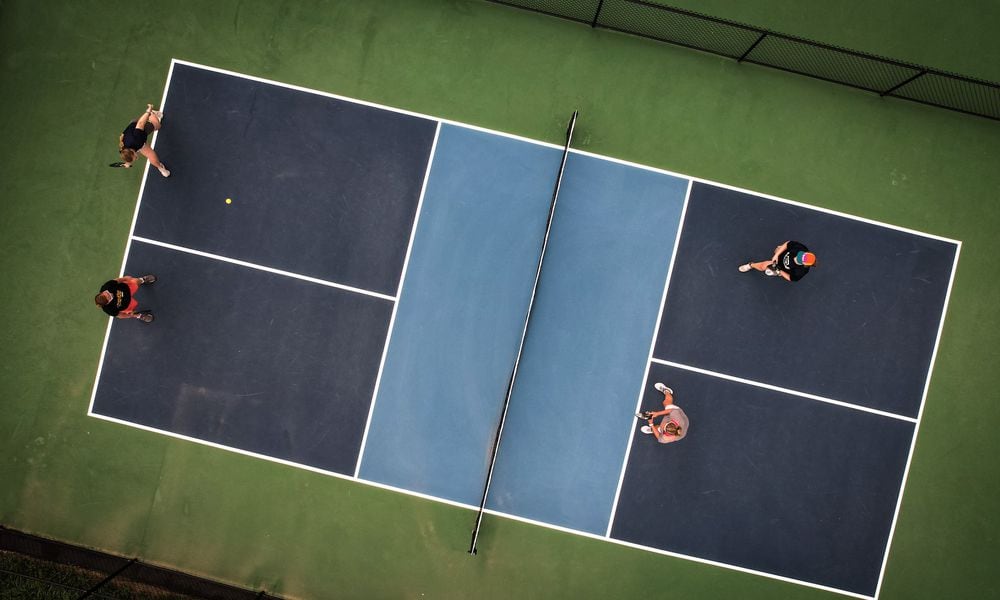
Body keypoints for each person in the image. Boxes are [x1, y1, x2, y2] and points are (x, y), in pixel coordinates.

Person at [118, 104, 170, 177]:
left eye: (135, 157)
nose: (136, 158)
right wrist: (128, 163)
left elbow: (140, 123)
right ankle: (160, 168)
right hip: (132, 130)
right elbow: (128, 156)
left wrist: (148, 111)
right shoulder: (124, 151)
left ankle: (153, 113)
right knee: (150, 154)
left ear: (133, 151)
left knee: (157, 125)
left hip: (139, 130)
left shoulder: (136, 139)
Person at [738, 240, 816, 282]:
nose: (796, 257)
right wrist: (777, 255)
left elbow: (791, 278)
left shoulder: (800, 271)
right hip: (779, 256)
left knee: (763, 266)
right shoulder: (801, 248)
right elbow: (788, 243)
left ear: (803, 264)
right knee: (778, 248)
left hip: (781, 268)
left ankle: (750, 265)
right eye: (800, 255)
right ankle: (776, 255)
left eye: (798, 259)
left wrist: (779, 271)